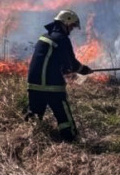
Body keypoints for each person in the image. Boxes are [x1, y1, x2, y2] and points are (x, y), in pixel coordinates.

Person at [26, 9, 93, 142]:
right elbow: (72, 64)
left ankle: (29, 137)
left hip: (33, 84)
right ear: (65, 23)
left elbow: (50, 60)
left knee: (34, 112)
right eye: (72, 26)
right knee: (63, 115)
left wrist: (63, 69)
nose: (72, 29)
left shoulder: (44, 37)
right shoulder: (62, 39)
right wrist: (84, 70)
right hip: (52, 86)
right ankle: (71, 140)